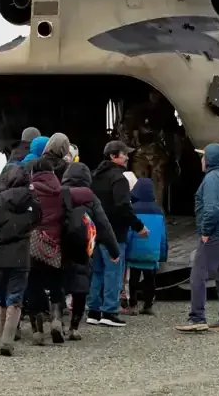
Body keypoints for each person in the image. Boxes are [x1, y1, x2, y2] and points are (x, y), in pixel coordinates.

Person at [176, 143, 219, 333]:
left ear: (210, 159)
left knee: (198, 274)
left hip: (216, 234)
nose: (202, 160)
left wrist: (206, 231)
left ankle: (197, 317)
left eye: (204, 157)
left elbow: (211, 209)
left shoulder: (211, 179)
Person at [0, 165, 41, 356]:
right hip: (21, 255)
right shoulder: (33, 201)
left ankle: (0, 332)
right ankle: (7, 339)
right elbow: (37, 220)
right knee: (15, 297)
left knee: (0, 295)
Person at [88, 140, 147, 327]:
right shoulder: (119, 178)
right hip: (114, 233)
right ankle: (109, 312)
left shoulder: (93, 177)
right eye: (124, 154)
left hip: (95, 233)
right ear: (114, 156)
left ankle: (93, 311)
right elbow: (123, 206)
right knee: (113, 272)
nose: (128, 157)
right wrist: (139, 226)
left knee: (97, 272)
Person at [59, 162, 120, 340]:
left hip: (60, 248)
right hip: (82, 250)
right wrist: (114, 251)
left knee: (59, 286)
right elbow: (104, 225)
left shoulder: (59, 193)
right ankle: (74, 328)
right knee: (80, 287)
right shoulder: (90, 197)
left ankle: (58, 321)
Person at [26, 158, 67, 345]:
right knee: (56, 282)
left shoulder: (30, 189)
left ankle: (37, 330)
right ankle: (57, 319)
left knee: (33, 283)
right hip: (55, 243)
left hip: (34, 244)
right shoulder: (61, 190)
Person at [124, 178, 168, 316]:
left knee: (134, 279)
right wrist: (162, 254)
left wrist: (124, 250)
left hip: (134, 252)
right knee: (150, 279)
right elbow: (163, 236)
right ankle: (148, 305)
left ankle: (133, 305)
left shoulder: (132, 210)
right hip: (152, 253)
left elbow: (129, 233)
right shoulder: (159, 211)